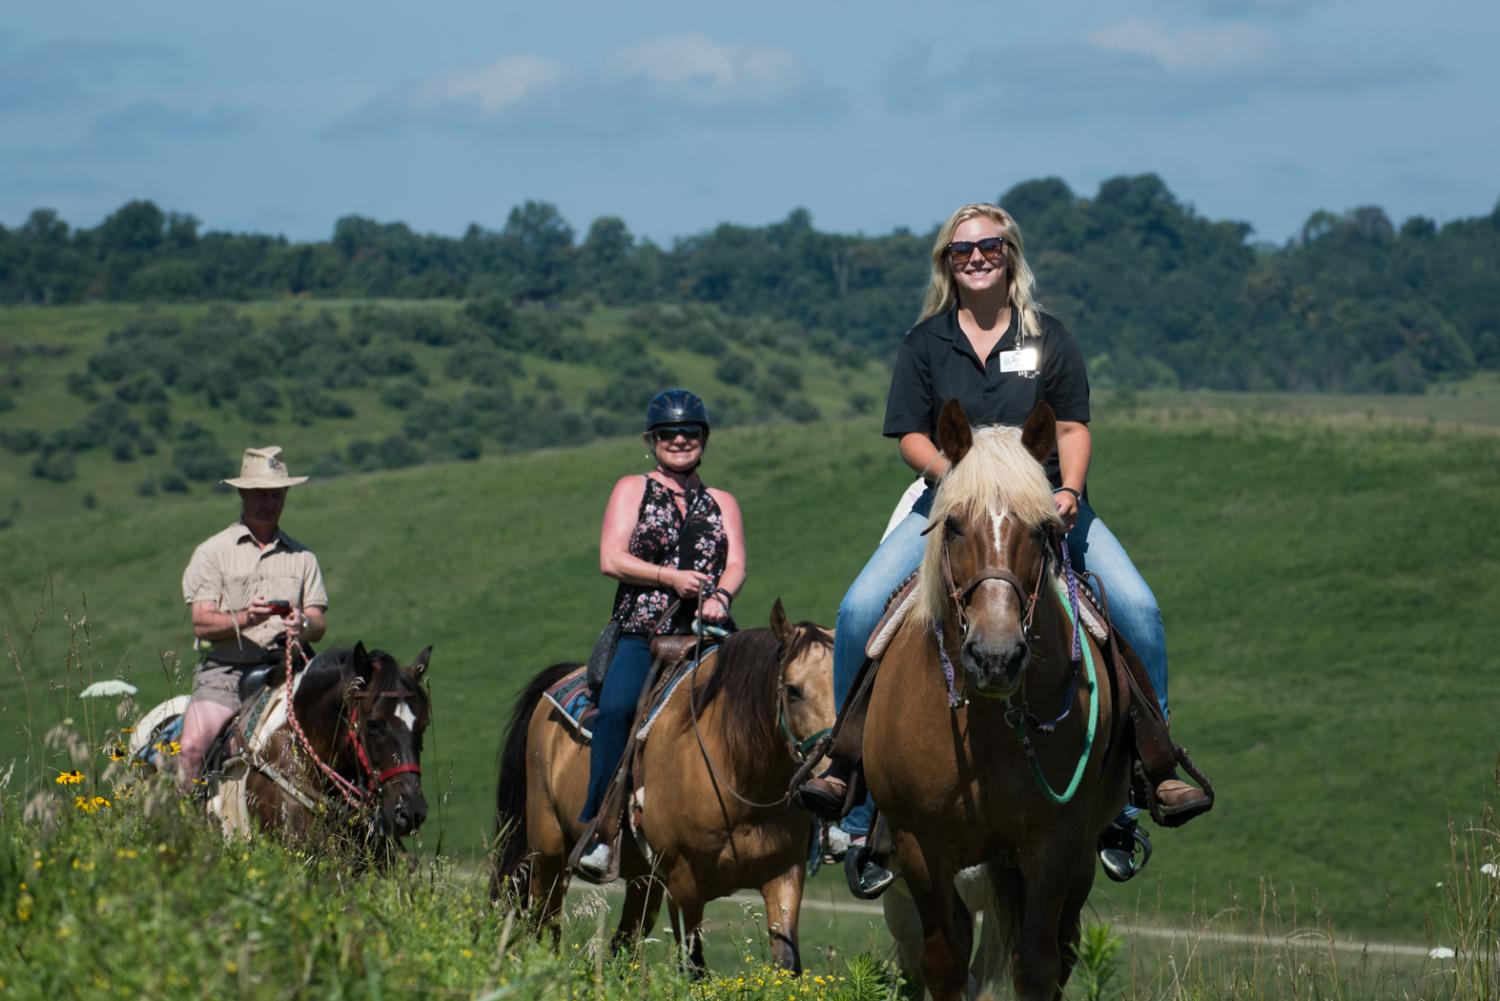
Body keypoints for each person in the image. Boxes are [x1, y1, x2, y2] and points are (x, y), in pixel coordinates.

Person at [798, 203, 1209, 889]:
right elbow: (910, 434)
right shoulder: (926, 343)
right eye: (963, 251)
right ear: (947, 264)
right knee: (859, 607)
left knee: (1137, 605)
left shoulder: (1049, 338)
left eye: (990, 246)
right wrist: (952, 477)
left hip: (1042, 504)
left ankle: (1150, 770)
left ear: (1010, 254)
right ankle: (851, 783)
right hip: (952, 505)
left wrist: (1069, 491)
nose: (977, 258)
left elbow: (1072, 426)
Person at [574, 389, 747, 881]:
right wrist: (669, 577)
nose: (679, 440)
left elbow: (735, 564)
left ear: (703, 439)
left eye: (689, 432)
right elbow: (612, 559)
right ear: (651, 441)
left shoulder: (722, 501)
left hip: (708, 630)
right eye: (668, 433)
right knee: (618, 709)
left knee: (765, 697)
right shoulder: (633, 488)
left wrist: (722, 596)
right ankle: (600, 829)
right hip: (642, 627)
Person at [177, 446, 328, 788]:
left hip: (288, 672)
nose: (268, 502)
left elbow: (318, 623)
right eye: (260, 494)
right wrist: (247, 618)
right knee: (191, 749)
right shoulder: (213, 552)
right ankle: (184, 828)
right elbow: (201, 623)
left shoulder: (303, 557)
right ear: (243, 494)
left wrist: (303, 624)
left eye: (275, 494)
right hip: (227, 674)